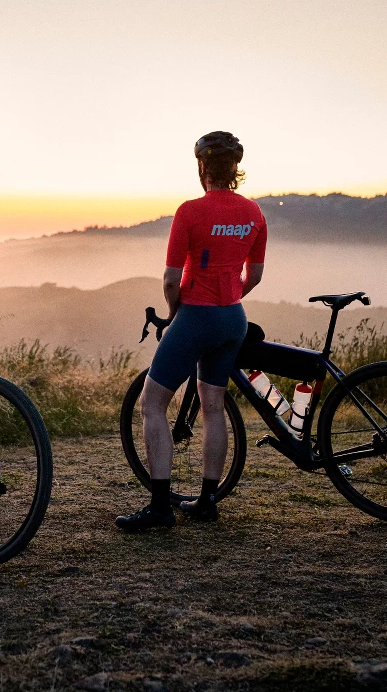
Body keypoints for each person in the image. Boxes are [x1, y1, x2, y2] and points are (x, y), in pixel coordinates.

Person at [115, 131, 266, 532]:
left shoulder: (189, 211)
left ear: (202, 168)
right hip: (234, 317)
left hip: (196, 315)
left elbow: (169, 279)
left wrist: (175, 312)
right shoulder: (254, 213)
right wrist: (230, 294)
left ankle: (161, 507)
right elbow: (256, 274)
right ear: (235, 171)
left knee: (151, 404)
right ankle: (207, 500)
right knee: (213, 407)